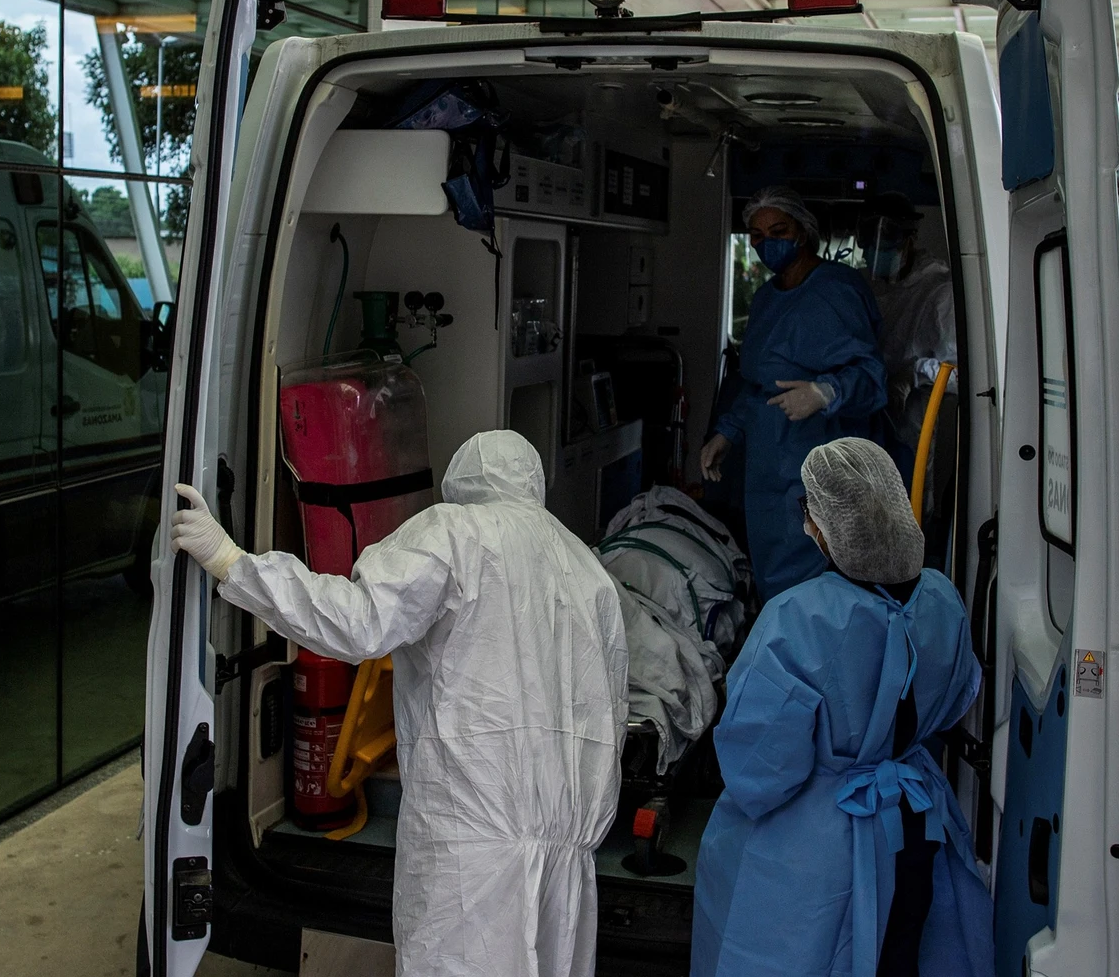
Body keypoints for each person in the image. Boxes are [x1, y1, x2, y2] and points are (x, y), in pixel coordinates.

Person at [169, 430, 629, 977]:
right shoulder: (589, 572)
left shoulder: (456, 531)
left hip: (469, 848)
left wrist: (232, 562)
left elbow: (359, 620)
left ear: (463, 485)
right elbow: (611, 715)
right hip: (570, 860)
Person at [692, 438, 994, 977]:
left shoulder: (796, 619)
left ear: (823, 526)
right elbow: (956, 699)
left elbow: (759, 769)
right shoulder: (943, 600)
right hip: (917, 828)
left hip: (815, 854)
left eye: (809, 512)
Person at [701, 186, 887, 601]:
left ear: (802, 233)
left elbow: (872, 377)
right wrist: (726, 432)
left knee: (816, 583)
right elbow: (755, 381)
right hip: (768, 467)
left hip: (819, 464)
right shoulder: (767, 298)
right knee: (774, 577)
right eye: (757, 235)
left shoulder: (835, 290)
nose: (768, 243)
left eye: (778, 230)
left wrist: (824, 392)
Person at [858, 193, 954, 460]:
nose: (873, 249)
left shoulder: (938, 292)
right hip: (867, 420)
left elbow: (963, 374)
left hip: (911, 425)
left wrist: (915, 372)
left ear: (909, 240)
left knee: (908, 493)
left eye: (887, 238)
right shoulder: (865, 286)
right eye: (868, 238)